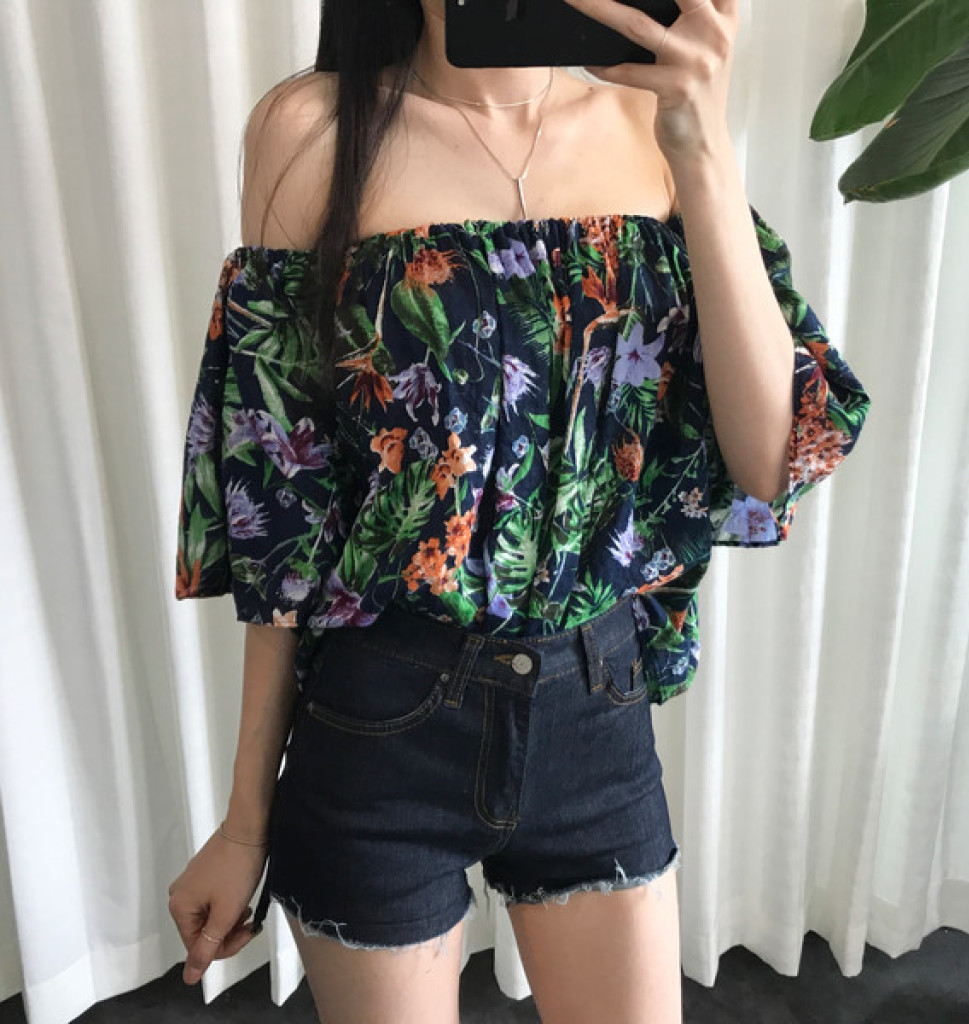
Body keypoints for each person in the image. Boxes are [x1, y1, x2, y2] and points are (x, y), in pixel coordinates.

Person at [166, 0, 871, 1021]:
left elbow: (770, 457)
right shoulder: (313, 131)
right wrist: (244, 823)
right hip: (380, 722)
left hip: (596, 712)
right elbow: (283, 515)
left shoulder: (650, 127)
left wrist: (703, 146)